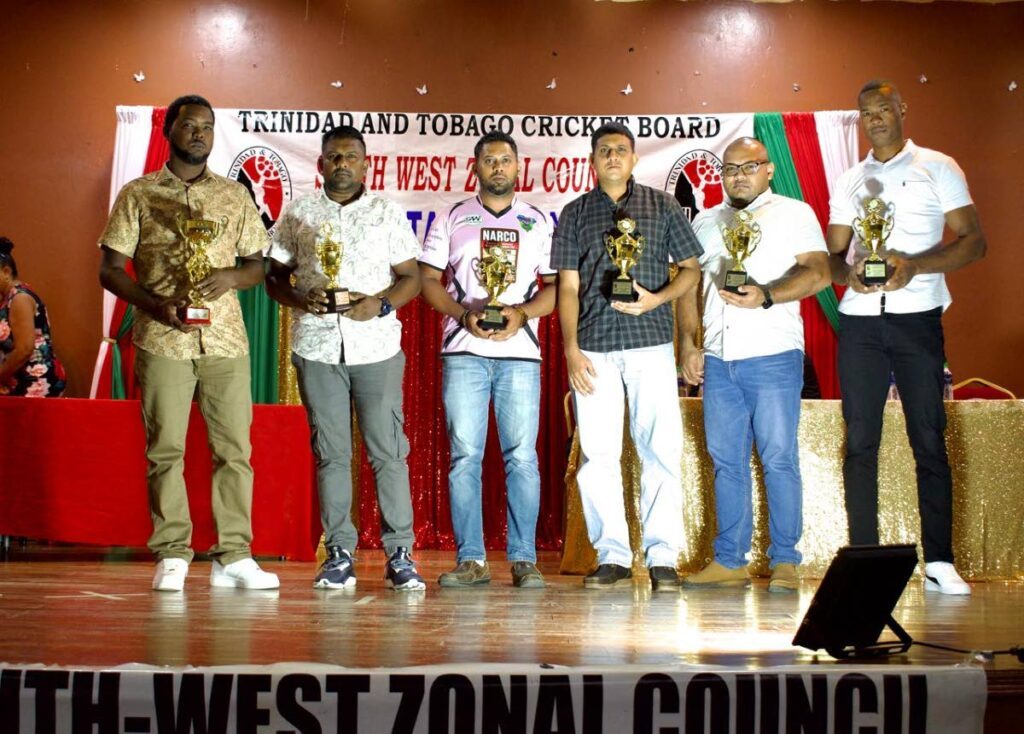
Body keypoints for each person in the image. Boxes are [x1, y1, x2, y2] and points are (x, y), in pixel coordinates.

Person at [99, 94, 279, 592]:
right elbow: (110, 270)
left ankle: (235, 555)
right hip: (162, 337)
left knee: (235, 449)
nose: (199, 133)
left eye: (207, 126)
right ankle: (173, 553)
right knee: (165, 449)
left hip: (224, 340)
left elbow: (258, 265)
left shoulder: (235, 196)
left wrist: (230, 277)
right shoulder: (138, 194)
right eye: (189, 125)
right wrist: (156, 306)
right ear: (169, 132)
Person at [827, 80, 986, 595]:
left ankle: (939, 561)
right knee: (860, 443)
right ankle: (864, 559)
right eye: (866, 113)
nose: (875, 119)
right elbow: (834, 255)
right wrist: (845, 274)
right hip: (859, 323)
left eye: (883, 109)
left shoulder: (938, 166)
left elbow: (973, 243)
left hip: (918, 319)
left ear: (902, 110)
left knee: (928, 438)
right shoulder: (850, 179)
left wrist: (914, 265)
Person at [265, 125, 426, 591]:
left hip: (375, 346)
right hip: (317, 346)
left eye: (351, 157)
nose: (342, 164)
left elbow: (410, 277)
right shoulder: (299, 213)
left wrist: (380, 304)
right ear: (320, 164)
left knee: (388, 452)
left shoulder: (385, 213)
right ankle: (338, 552)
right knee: (331, 453)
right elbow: (274, 276)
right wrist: (299, 300)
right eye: (333, 157)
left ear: (365, 163)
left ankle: (401, 554)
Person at [551, 122, 702, 590]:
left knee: (660, 450)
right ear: (592, 162)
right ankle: (612, 554)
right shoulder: (575, 213)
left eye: (621, 150)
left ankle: (662, 557)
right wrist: (571, 349)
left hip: (651, 343)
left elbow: (692, 272)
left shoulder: (663, 206)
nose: (612, 156)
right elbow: (568, 287)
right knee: (598, 455)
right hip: (594, 347)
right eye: (604, 151)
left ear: (634, 159)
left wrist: (656, 299)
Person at [679, 138, 830, 592]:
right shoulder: (705, 222)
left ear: (769, 171)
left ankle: (785, 560)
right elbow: (688, 289)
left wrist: (766, 295)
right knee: (726, 462)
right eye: (729, 168)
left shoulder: (794, 212)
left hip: (774, 354)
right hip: (719, 359)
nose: (738, 175)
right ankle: (729, 560)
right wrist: (688, 345)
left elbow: (819, 272)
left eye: (749, 167)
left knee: (778, 458)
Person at [419, 132, 556, 588]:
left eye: (506, 160)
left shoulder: (536, 220)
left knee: (522, 458)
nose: (498, 166)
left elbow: (555, 289)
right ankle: (471, 560)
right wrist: (464, 314)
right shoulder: (452, 216)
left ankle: (524, 558)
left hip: (520, 355)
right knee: (465, 458)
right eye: (489, 160)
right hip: (464, 353)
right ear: (474, 166)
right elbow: (429, 281)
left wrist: (522, 314)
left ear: (519, 167)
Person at [0, 237, 66, 397]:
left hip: (34, 383)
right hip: (18, 381)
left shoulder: (19, 298)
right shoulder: (8, 298)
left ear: (6, 272)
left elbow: (24, 349)